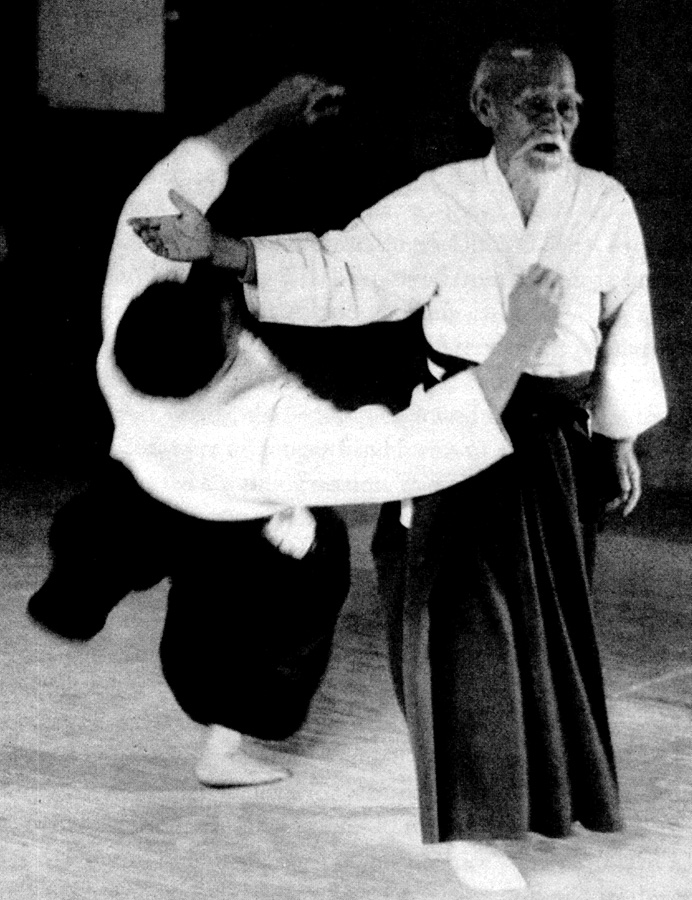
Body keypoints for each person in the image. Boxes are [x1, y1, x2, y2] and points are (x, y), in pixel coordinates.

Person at [130, 42, 667, 891]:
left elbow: (625, 318)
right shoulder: (444, 199)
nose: (555, 121)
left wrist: (620, 433)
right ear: (484, 108)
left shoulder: (603, 202)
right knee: (456, 624)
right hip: (455, 430)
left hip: (558, 443)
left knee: (543, 628)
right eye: (533, 103)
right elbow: (349, 269)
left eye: (567, 105)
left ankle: (534, 799)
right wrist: (225, 250)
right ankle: (469, 826)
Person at [28, 74, 561, 795]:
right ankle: (225, 745)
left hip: (139, 483)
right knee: (309, 571)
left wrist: (263, 114)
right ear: (225, 349)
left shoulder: (129, 332)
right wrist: (519, 341)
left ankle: (75, 589)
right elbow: (411, 453)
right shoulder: (267, 429)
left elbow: (155, 199)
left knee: (109, 530)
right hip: (234, 513)